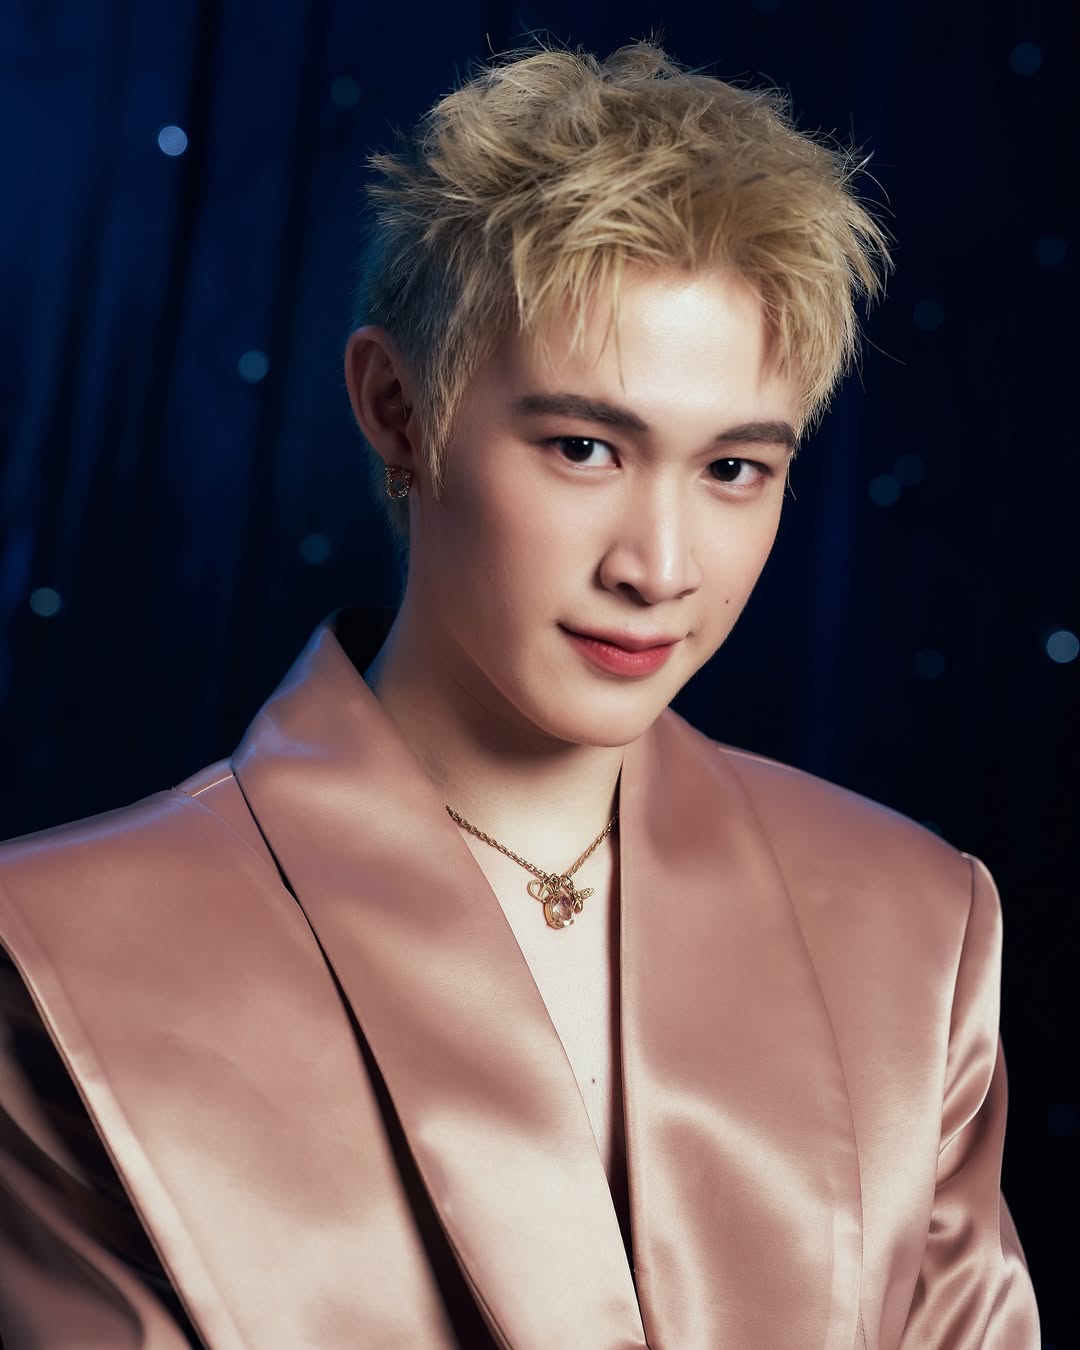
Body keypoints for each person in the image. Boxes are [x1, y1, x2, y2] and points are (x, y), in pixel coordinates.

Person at [0, 38, 1039, 1350]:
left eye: (733, 469)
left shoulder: (917, 924)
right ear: (397, 408)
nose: (658, 567)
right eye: (585, 447)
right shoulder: (57, 953)